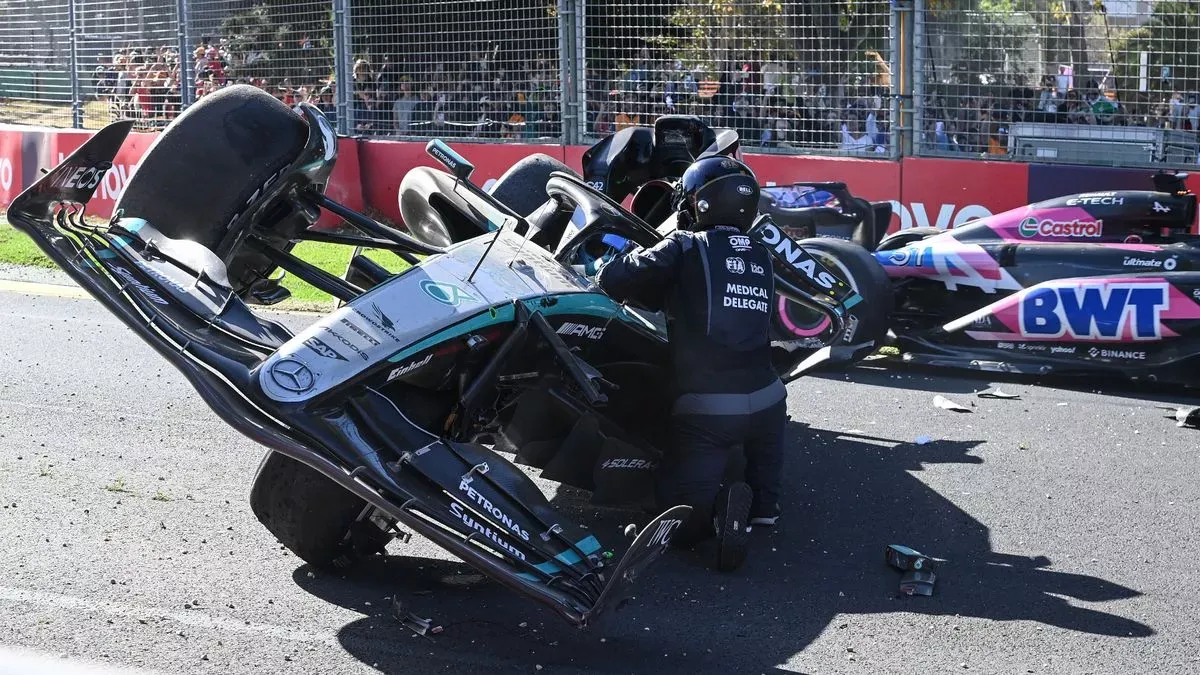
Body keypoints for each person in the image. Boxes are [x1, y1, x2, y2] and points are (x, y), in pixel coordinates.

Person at [594, 155, 786, 573]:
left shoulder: (684, 245)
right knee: (766, 488)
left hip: (709, 412)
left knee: (678, 521)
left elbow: (615, 280)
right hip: (771, 401)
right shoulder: (762, 252)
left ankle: (709, 511)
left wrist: (607, 263)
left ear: (697, 204)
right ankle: (760, 506)